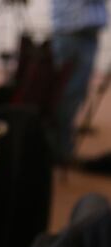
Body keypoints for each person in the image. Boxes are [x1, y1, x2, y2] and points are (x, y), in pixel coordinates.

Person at [51, 0, 108, 162]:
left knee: (75, 92)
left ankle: (62, 146)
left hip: (80, 31)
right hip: (72, 31)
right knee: (68, 93)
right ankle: (59, 148)